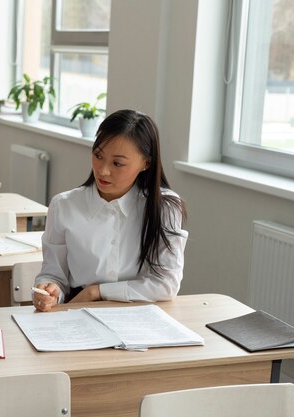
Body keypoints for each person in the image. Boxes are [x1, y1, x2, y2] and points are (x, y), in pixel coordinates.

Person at [33, 109, 188, 311]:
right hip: (79, 310)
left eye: (117, 163)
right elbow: (54, 275)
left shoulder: (164, 207)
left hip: (141, 315)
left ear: (146, 164)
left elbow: (167, 284)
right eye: (98, 156)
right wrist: (50, 290)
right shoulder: (63, 205)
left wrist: (97, 292)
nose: (103, 170)